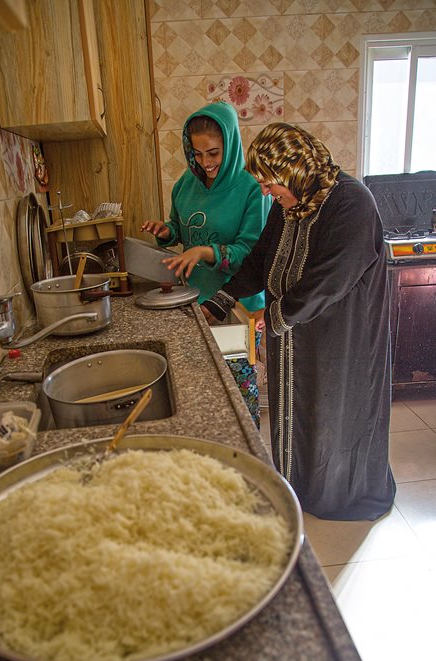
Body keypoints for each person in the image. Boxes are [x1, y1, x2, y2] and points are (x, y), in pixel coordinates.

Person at [201, 122, 396, 521]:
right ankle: (298, 488)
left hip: (339, 342)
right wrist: (221, 300)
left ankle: (337, 495)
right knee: (297, 412)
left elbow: (331, 279)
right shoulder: (291, 204)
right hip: (294, 337)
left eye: (272, 184)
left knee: (330, 415)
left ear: (295, 169)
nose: (267, 193)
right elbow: (261, 258)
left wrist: (270, 317)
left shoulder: (352, 202)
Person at [141, 102, 270, 428]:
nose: (206, 163)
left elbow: (252, 253)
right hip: (194, 304)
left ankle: (247, 451)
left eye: (213, 153)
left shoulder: (252, 188)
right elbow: (180, 229)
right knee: (201, 392)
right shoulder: (185, 185)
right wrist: (167, 231)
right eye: (197, 154)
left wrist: (205, 252)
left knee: (237, 393)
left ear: (231, 143)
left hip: (238, 306)